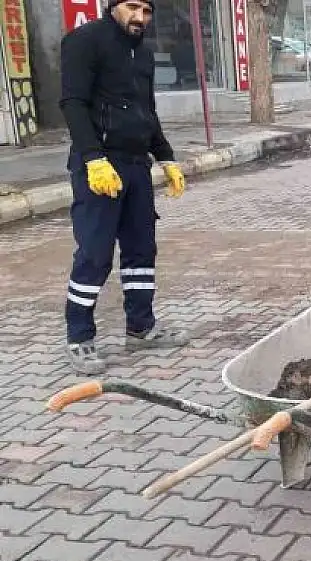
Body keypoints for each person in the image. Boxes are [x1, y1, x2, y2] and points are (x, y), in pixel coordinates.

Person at [58, 0, 189, 375]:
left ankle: (141, 327)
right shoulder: (85, 40)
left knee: (141, 250)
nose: (140, 17)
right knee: (95, 254)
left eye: (147, 11)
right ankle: (79, 338)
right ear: (113, 7)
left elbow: (147, 110)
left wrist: (166, 157)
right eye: (132, 7)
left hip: (135, 167)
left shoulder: (143, 54)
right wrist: (92, 157)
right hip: (100, 166)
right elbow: (72, 103)